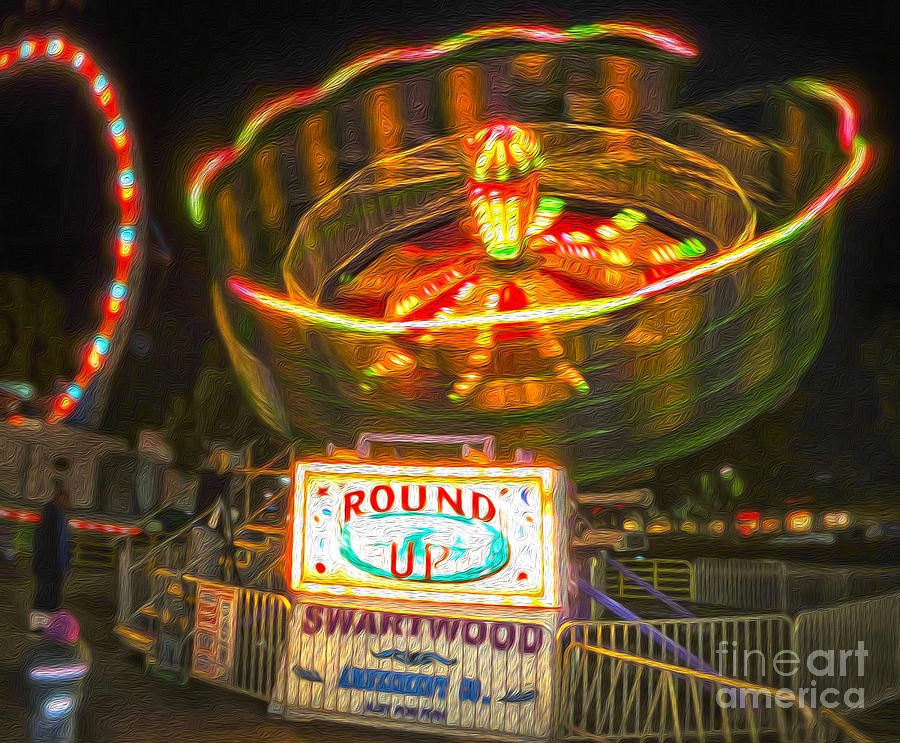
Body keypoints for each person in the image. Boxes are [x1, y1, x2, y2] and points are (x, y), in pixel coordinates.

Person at [23, 610, 90, 743]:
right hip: (69, 704)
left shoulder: (39, 655)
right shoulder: (82, 654)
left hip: (44, 706)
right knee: (64, 734)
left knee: (40, 734)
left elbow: (27, 676)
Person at [31, 480, 70, 631]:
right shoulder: (51, 514)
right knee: (44, 598)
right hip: (48, 565)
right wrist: (46, 563)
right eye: (65, 499)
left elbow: (62, 544)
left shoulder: (58, 515)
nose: (68, 503)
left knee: (51, 598)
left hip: (54, 566)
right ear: (58, 498)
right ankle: (38, 629)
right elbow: (46, 541)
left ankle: (45, 628)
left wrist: (65, 564)